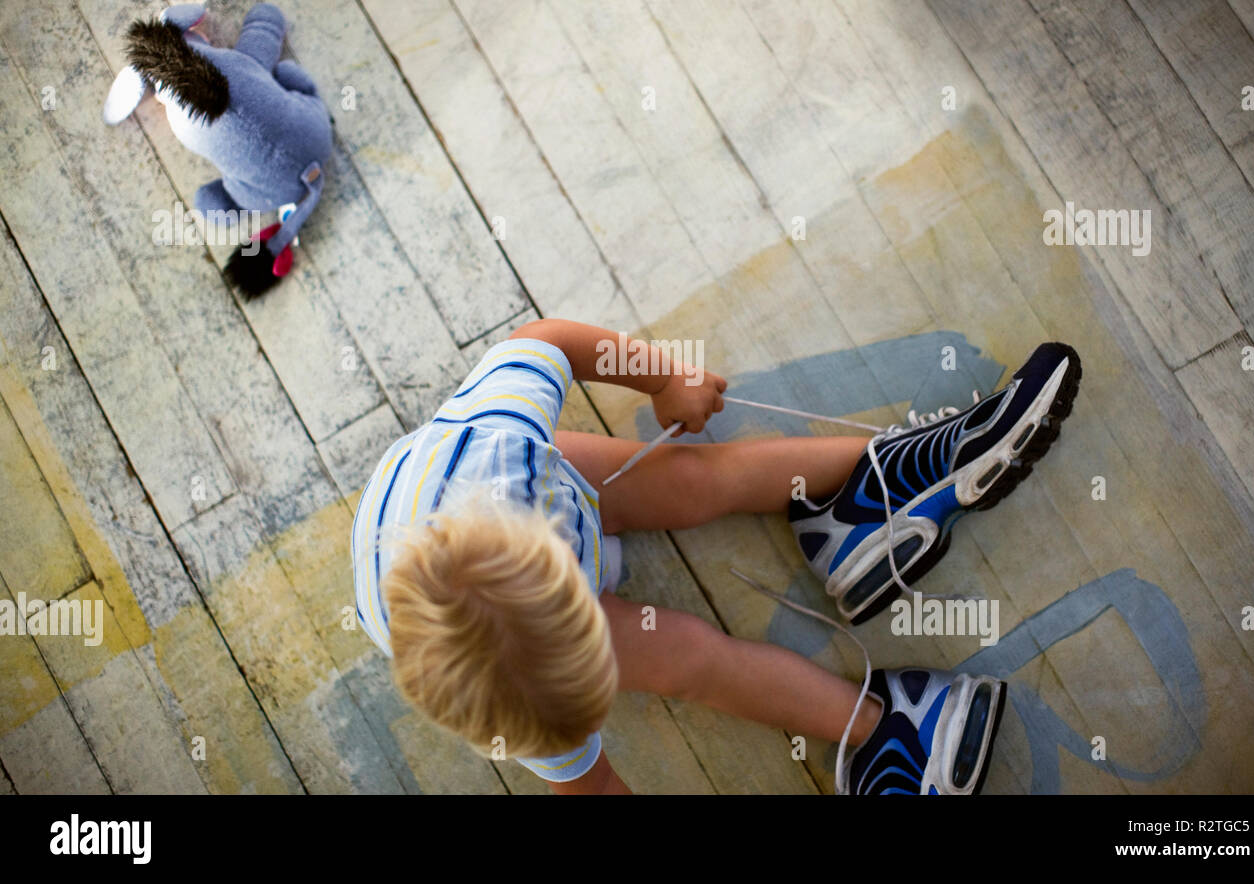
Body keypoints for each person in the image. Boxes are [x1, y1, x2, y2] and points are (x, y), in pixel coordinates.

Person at [350, 318, 1080, 794]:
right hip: (505, 587)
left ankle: (878, 486)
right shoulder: (503, 692)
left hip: (534, 492)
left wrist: (666, 379)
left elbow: (548, 342)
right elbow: (591, 786)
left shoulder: (500, 438)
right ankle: (885, 730)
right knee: (692, 660)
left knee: (695, 480)